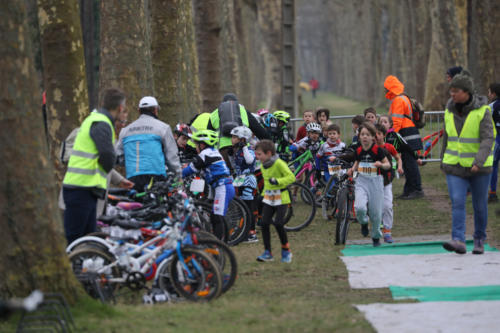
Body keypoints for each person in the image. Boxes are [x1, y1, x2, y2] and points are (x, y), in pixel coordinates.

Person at [62, 87, 125, 244]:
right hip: (81, 188)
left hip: (84, 188)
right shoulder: (101, 124)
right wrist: (111, 164)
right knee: (75, 239)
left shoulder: (95, 119)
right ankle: (73, 266)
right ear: (120, 108)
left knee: (88, 237)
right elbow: (107, 155)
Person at [441, 73, 496, 254]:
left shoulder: (483, 111)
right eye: (451, 91)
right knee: (457, 201)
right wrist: (443, 161)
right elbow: (447, 138)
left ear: (466, 92)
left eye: (455, 91)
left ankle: (479, 239)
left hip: (479, 168)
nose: (452, 95)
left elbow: (488, 138)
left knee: (479, 205)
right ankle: (458, 240)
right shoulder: (448, 110)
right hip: (454, 166)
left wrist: (478, 162)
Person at [116, 96, 181, 192]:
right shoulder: (163, 128)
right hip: (157, 176)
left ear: (139, 111)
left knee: (138, 205)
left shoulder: (125, 131)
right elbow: (172, 157)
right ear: (155, 110)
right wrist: (178, 177)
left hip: (133, 177)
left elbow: (118, 157)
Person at [182, 130, 235, 240]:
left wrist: (176, 175)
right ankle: (218, 241)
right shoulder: (212, 151)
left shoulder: (205, 154)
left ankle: (220, 244)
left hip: (223, 187)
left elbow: (191, 169)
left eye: (197, 144)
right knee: (214, 215)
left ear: (202, 145)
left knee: (217, 217)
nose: (196, 147)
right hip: (221, 186)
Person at [348, 122, 391, 247]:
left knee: (376, 213)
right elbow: (357, 163)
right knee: (360, 207)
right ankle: (364, 222)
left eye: (367, 134)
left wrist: (381, 165)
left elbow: (387, 165)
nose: (365, 137)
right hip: (362, 181)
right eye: (362, 134)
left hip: (376, 181)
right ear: (359, 136)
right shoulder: (359, 150)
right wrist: (352, 169)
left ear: (373, 137)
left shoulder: (378, 151)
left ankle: (376, 237)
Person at [254, 140, 296, 263]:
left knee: (278, 223)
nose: (257, 157)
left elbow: (291, 177)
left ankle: (286, 250)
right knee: (264, 223)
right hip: (269, 197)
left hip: (282, 197)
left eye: (259, 154)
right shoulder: (263, 165)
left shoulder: (279, 163)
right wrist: (261, 196)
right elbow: (267, 183)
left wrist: (277, 181)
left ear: (269, 153)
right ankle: (268, 252)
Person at [384, 75, 424, 199]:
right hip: (409, 132)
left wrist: (390, 135)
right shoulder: (404, 98)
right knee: (407, 163)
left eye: (386, 88)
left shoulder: (398, 100)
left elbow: (396, 121)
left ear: (390, 88)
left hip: (406, 133)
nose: (385, 91)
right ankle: (408, 190)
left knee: (410, 163)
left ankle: (417, 189)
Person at [208, 93, 270, 172]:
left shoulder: (215, 113)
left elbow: (208, 136)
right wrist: (269, 142)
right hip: (242, 149)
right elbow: (260, 131)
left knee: (226, 176)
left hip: (223, 150)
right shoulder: (243, 111)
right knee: (245, 174)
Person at [375, 123, 403, 243]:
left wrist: (399, 167)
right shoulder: (369, 148)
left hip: (386, 181)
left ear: (384, 135)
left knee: (388, 205)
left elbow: (398, 158)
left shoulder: (389, 147)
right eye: (374, 134)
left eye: (379, 134)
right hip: (373, 182)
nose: (376, 136)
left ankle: (387, 231)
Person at [230, 126, 258, 243]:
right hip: (240, 179)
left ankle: (251, 233)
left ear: (242, 139)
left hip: (248, 180)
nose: (232, 139)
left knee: (248, 207)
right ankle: (243, 229)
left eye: (234, 137)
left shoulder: (248, 149)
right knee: (242, 206)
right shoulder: (237, 151)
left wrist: (245, 148)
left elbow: (250, 161)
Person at [487, 83, 500, 203]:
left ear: (494, 94)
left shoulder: (492, 106)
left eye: (489, 92)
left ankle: (492, 194)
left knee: (493, 166)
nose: (488, 94)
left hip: (498, 140)